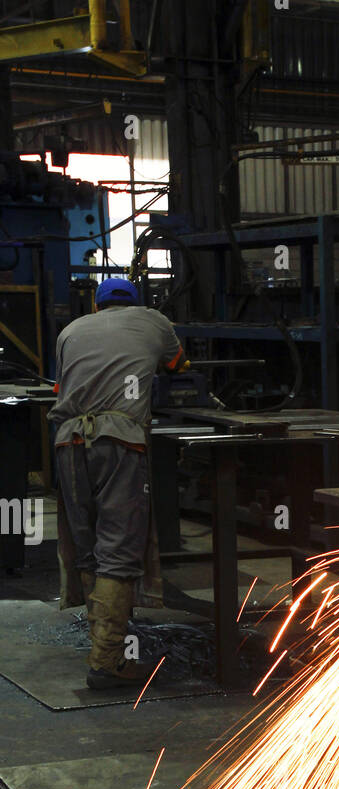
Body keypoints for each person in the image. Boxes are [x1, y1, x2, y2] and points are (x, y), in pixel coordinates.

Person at [49, 277, 189, 689]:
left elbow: (62, 387)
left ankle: (102, 646)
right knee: (120, 547)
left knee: (87, 545)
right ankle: (107, 662)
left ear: (96, 305)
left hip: (68, 442)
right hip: (121, 441)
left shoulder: (70, 330)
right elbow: (179, 366)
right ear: (136, 302)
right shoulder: (154, 321)